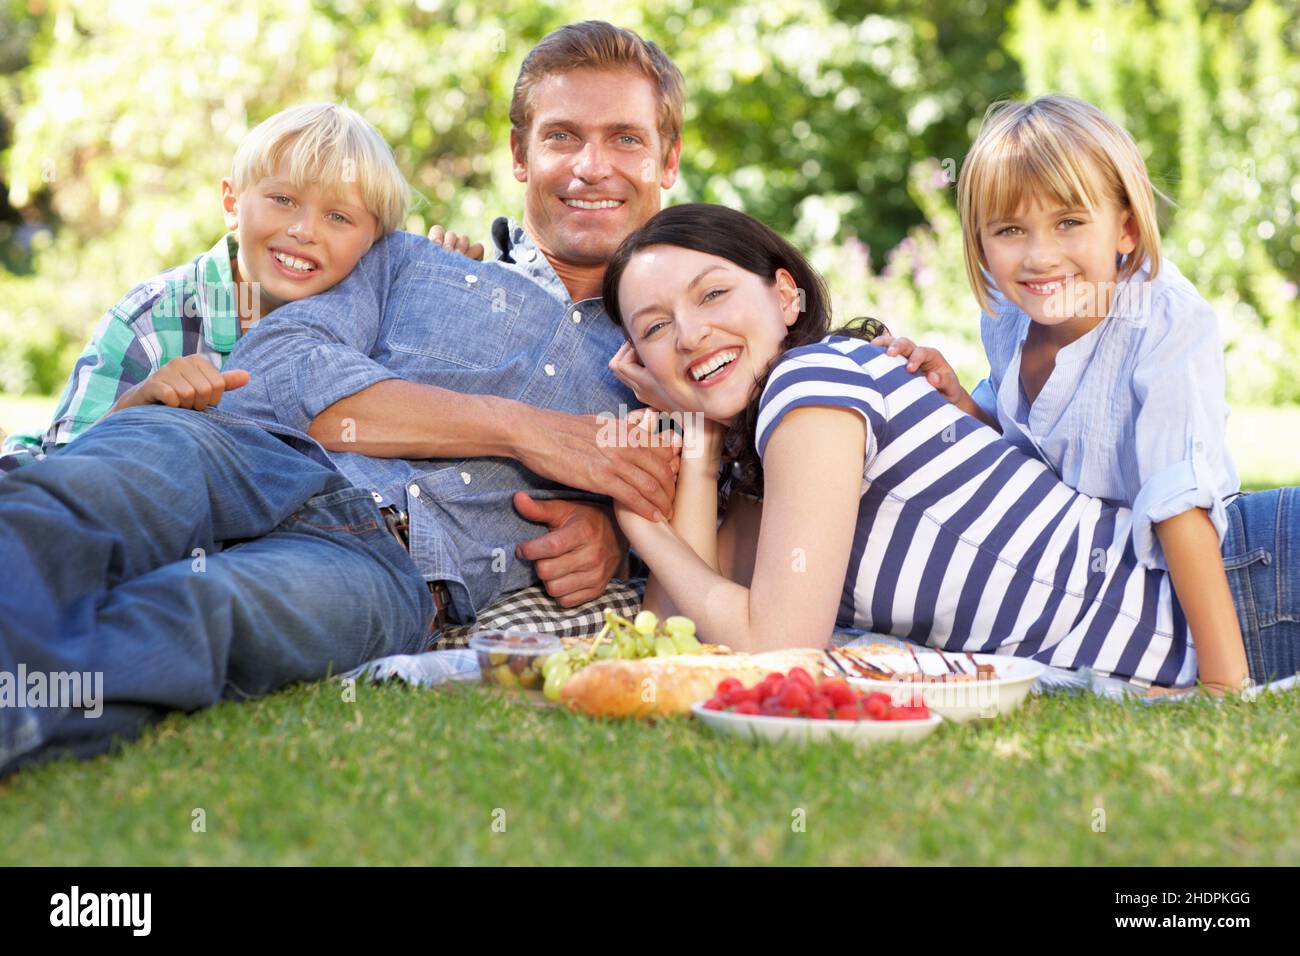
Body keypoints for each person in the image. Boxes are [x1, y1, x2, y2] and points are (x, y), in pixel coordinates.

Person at [0, 20, 684, 775]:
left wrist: (617, 541)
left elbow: (703, 522)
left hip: (390, 568)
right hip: (254, 457)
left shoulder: (674, 356)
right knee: (93, 489)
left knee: (207, 615)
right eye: (562, 137)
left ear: (668, 160)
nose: (592, 167)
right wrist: (527, 431)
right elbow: (284, 368)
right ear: (521, 157)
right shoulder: (411, 260)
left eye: (624, 139)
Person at [600, 203, 1299, 694]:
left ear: (785, 296)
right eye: (656, 328)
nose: (689, 335)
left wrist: (639, 525)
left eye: (714, 294)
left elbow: (779, 645)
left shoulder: (811, 381)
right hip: (1240, 597)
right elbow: (683, 629)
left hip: (1246, 584)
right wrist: (699, 442)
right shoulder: (768, 456)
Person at [867, 95, 1248, 691]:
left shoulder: (1163, 321)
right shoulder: (1007, 316)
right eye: (1011, 230)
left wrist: (1224, 685)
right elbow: (1027, 457)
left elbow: (1180, 501)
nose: (1040, 256)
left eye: (1069, 222)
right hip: (1113, 591)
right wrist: (965, 407)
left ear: (1124, 226)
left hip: (1236, 573)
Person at [0, 103, 410, 473]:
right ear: (232, 204)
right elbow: (61, 478)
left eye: (338, 217)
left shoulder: (381, 313)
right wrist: (139, 403)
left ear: (375, 243)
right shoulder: (153, 319)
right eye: (283, 199)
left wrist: (445, 270)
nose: (304, 230)